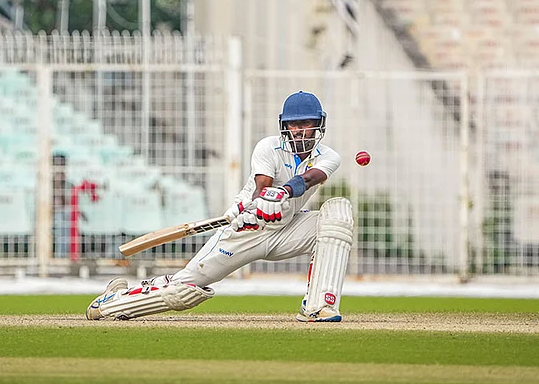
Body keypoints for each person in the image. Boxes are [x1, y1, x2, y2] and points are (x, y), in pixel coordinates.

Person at [86, 91, 354, 322]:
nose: (300, 130)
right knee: (184, 290)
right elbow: (262, 186)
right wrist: (253, 205)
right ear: (284, 126)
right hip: (245, 230)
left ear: (318, 125)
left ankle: (319, 306)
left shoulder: (328, 156)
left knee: (338, 214)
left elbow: (309, 179)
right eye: (293, 125)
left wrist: (283, 192)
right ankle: (111, 302)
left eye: (306, 123)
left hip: (287, 230)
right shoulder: (268, 147)